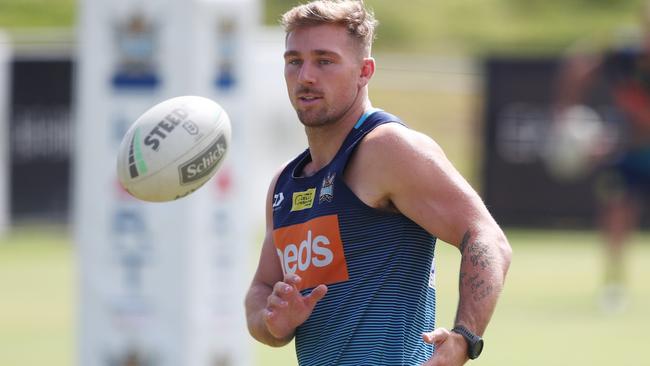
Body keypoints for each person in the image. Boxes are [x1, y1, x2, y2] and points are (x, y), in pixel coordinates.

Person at [244, 1, 512, 365]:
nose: (305, 75)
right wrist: (273, 320)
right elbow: (261, 290)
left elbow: (487, 238)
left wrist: (465, 338)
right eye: (294, 61)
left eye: (324, 60)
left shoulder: (387, 149)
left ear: (364, 71)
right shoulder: (285, 184)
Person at [554, 2, 650, 312]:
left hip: (635, 144)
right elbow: (579, 64)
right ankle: (614, 284)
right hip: (633, 154)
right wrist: (565, 111)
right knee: (617, 210)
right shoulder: (623, 56)